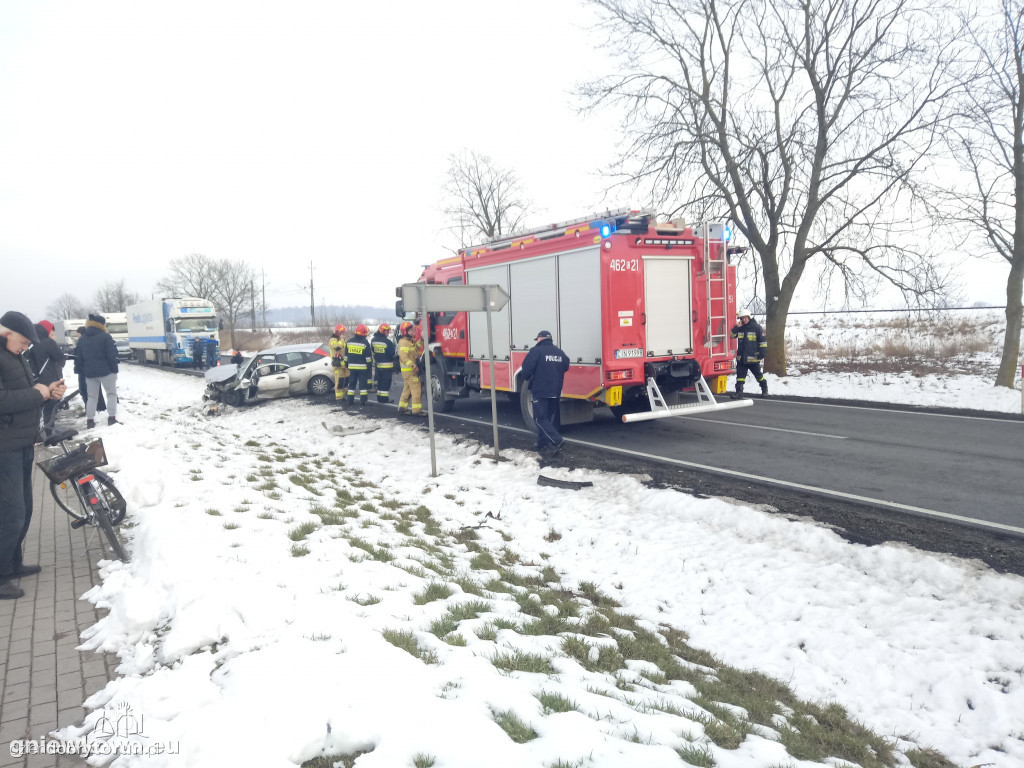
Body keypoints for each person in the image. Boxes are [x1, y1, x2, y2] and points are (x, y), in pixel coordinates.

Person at [1, 311, 66, 599]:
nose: (27, 347)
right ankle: (2, 576)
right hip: (5, 447)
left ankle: (13, 564)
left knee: (25, 509)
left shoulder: (15, 356)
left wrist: (47, 392)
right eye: (24, 341)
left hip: (23, 442)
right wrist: (38, 394)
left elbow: (26, 392)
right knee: (11, 513)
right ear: (7, 332)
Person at [521, 330, 570, 457]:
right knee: (546, 418)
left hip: (541, 391)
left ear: (540, 339)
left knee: (539, 418)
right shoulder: (559, 352)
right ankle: (541, 442)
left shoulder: (536, 351)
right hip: (556, 391)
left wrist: (527, 377)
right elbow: (566, 366)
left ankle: (557, 440)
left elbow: (526, 370)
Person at [77, 313, 120, 427]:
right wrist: (114, 370)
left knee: (91, 396)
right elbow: (111, 355)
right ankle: (111, 418)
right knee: (111, 394)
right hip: (106, 372)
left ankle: (90, 420)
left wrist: (81, 371)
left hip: (90, 373)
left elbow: (79, 357)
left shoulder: (83, 338)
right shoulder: (105, 337)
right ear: (101, 324)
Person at [28, 320, 65, 437]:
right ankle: (50, 432)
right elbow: (61, 358)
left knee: (36, 409)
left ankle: (36, 434)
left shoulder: (30, 344)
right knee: (50, 408)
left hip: (34, 381)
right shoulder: (48, 342)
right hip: (50, 380)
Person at [730, 308, 768, 399]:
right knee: (740, 377)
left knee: (759, 376)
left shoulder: (757, 328)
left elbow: (762, 342)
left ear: (749, 317)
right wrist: (736, 327)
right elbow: (731, 335)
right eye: (741, 318)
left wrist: (762, 353)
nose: (743, 320)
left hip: (753, 358)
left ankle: (764, 388)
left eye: (745, 318)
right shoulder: (740, 328)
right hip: (742, 359)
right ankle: (739, 393)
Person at [73, 326, 104, 412]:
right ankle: (95, 408)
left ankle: (93, 408)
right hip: (88, 370)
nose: (77, 335)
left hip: (86, 371)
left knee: (86, 390)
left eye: (78, 333)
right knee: (88, 390)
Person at [396, 321, 425, 416]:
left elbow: (416, 348)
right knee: (416, 390)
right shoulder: (404, 343)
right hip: (410, 371)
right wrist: (414, 366)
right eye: (411, 330)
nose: (413, 331)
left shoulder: (408, 341)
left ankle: (402, 408)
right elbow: (404, 357)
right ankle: (417, 411)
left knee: (407, 389)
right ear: (405, 332)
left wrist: (422, 339)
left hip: (407, 372)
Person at [344, 324, 372, 406]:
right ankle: (363, 401)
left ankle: (350, 400)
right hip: (362, 368)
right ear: (363, 333)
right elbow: (368, 358)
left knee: (351, 384)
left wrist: (346, 364)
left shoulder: (349, 342)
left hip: (351, 367)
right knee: (363, 385)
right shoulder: (365, 343)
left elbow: (346, 356)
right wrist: (369, 366)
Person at [370, 323, 396, 404]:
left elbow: (373, 351)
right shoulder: (387, 342)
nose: (388, 333)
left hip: (378, 365)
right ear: (383, 331)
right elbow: (392, 354)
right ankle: (384, 399)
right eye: (387, 331)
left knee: (380, 382)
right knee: (385, 383)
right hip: (387, 366)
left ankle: (379, 398)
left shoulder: (373, 340)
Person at [328, 325, 349, 402]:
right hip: (338, 365)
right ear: (337, 332)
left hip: (344, 365)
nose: (343, 334)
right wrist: (342, 339)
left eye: (344, 333)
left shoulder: (341, 340)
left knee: (345, 380)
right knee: (339, 381)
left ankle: (344, 395)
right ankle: (339, 398)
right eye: (342, 333)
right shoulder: (333, 340)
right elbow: (337, 347)